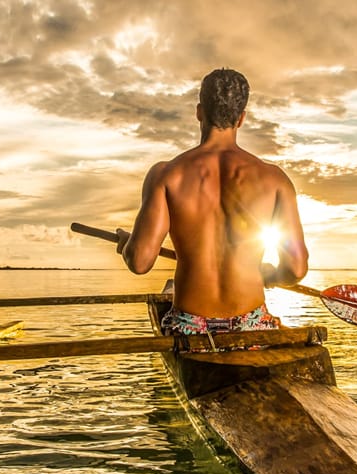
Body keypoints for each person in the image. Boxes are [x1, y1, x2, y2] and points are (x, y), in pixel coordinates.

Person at [115, 68, 309, 335]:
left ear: (199, 112)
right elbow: (296, 269)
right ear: (241, 119)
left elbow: (139, 262)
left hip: (190, 325)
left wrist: (127, 245)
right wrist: (270, 275)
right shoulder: (275, 180)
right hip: (251, 324)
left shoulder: (166, 174)